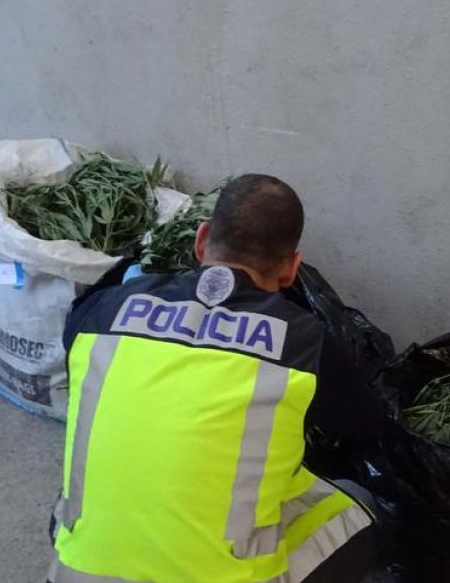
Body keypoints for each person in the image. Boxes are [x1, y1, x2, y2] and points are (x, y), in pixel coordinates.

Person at [47, 174, 379, 583]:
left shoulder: (101, 311)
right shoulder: (304, 342)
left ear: (201, 240)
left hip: (80, 573)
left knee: (79, 498)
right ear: (292, 268)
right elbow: (367, 423)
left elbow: (74, 334)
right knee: (356, 508)